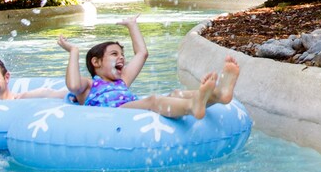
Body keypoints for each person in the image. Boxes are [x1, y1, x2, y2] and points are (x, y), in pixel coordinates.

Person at [57, 15, 238, 120]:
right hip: (115, 116)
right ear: (96, 62)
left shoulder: (122, 80)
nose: (121, 58)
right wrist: (74, 51)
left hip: (129, 108)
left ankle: (217, 95)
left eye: (122, 54)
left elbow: (141, 53)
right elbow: (72, 85)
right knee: (152, 100)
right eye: (114, 54)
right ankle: (193, 105)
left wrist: (132, 25)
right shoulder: (88, 86)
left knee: (175, 93)